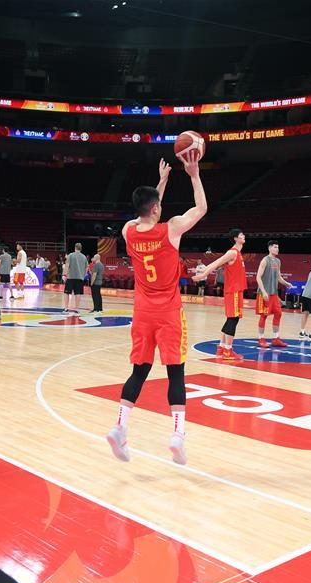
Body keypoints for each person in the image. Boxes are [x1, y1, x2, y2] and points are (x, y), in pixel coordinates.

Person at [106, 155, 207, 466]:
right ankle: (177, 435)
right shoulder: (171, 230)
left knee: (139, 371)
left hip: (142, 313)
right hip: (168, 313)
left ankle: (120, 427)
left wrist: (161, 183)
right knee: (176, 373)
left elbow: (146, 212)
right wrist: (193, 174)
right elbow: (201, 208)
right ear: (155, 209)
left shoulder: (128, 231)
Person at [192, 229, 246, 361]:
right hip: (233, 291)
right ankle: (228, 350)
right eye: (241, 235)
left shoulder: (238, 253)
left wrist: (203, 271)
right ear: (235, 238)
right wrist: (203, 275)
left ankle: (221, 347)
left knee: (230, 319)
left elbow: (215, 263)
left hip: (236, 290)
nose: (244, 236)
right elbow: (216, 263)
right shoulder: (232, 252)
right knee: (233, 319)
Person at [255, 240, 293, 348]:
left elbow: (278, 277)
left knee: (278, 313)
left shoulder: (278, 261)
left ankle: (275, 338)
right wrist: (263, 291)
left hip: (274, 294)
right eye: (275, 247)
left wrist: (286, 283)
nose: (277, 249)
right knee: (264, 316)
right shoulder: (265, 260)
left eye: (278, 247)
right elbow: (258, 277)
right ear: (270, 248)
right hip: (264, 293)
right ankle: (261, 339)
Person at [64, 243, 88, 313]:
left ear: (75, 248)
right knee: (78, 293)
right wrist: (83, 275)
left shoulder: (70, 255)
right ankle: (77, 309)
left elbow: (67, 265)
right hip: (80, 278)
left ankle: (66, 308)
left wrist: (64, 275)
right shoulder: (84, 257)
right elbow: (87, 268)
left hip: (70, 277)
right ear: (81, 248)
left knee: (67, 293)